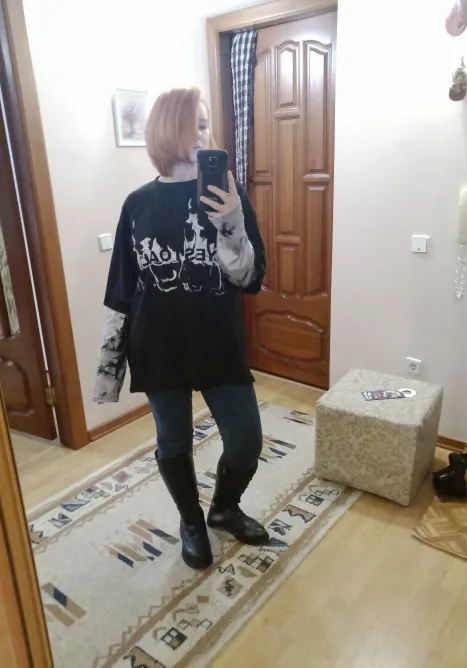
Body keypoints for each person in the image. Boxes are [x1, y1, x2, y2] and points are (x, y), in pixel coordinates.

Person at [93, 87, 269, 570]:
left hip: (219, 342)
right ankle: (191, 521)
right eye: (195, 124)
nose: (204, 134)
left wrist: (230, 219)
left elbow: (250, 278)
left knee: (246, 441)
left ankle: (224, 508)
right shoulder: (138, 204)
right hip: (159, 346)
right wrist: (108, 373)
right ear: (168, 130)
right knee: (173, 442)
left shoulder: (228, 194)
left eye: (207, 124)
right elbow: (122, 287)